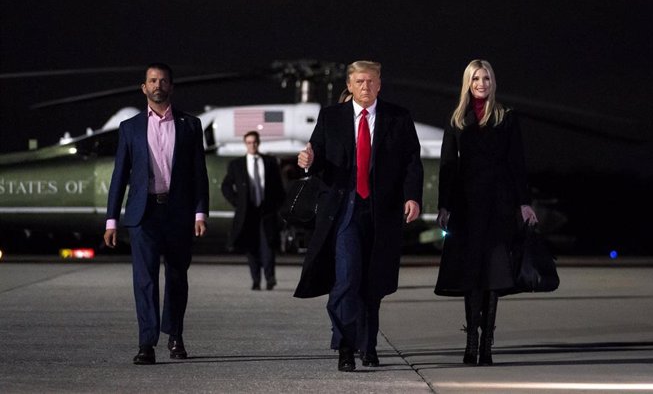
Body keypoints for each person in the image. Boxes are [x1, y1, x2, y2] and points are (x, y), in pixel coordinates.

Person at [294, 60, 423, 372]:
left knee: (373, 284)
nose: (366, 87)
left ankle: (370, 345)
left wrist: (413, 197)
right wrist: (308, 160)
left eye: (371, 82)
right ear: (349, 86)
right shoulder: (331, 117)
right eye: (360, 82)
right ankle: (346, 346)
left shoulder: (398, 117)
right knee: (347, 279)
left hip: (383, 212)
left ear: (379, 85)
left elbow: (411, 162)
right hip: (344, 209)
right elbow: (318, 157)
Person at [434, 59, 538, 366]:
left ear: (493, 82)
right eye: (476, 78)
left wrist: (524, 201)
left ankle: (487, 345)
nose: (482, 83)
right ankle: (470, 342)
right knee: (471, 276)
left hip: (498, 205)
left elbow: (517, 162)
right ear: (468, 82)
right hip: (466, 208)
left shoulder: (507, 117)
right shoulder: (456, 119)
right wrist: (444, 204)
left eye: (487, 78)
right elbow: (447, 166)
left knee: (494, 274)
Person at [104, 63, 209, 365]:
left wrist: (200, 212)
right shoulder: (130, 128)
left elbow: (198, 173)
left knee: (177, 277)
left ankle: (175, 336)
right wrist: (112, 220)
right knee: (145, 279)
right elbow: (120, 175)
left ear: (171, 87)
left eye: (163, 81)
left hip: (178, 212)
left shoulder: (190, 125)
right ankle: (146, 343)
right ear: (144, 88)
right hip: (143, 213)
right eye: (152, 81)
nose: (158, 85)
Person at [221, 131, 286, 290]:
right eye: (249, 142)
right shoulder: (236, 165)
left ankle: (270, 278)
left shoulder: (270, 163)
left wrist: (277, 206)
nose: (252, 145)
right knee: (251, 247)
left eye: (255, 142)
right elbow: (226, 186)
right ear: (245, 144)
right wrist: (238, 202)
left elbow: (279, 187)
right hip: (247, 213)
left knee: (268, 245)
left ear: (259, 143)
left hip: (266, 211)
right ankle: (256, 280)